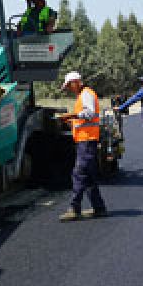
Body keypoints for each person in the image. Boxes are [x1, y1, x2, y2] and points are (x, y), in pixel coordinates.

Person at [57, 71, 107, 221]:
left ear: (75, 82)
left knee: (78, 173)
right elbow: (83, 119)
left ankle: (74, 208)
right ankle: (99, 208)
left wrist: (71, 116)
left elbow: (90, 113)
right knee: (89, 177)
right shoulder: (82, 95)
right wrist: (72, 121)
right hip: (85, 140)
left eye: (69, 86)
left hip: (87, 141)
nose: (69, 89)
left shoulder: (86, 93)